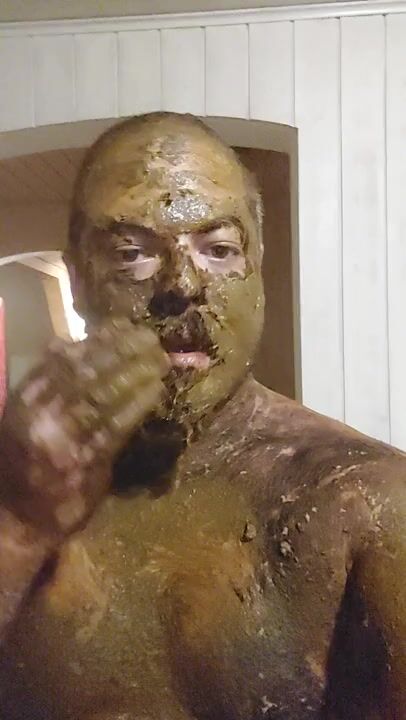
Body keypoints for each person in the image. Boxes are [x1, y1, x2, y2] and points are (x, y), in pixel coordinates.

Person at [0, 113, 404, 720]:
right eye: (132, 254)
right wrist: (22, 526)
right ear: (78, 279)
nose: (182, 284)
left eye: (219, 250)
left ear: (258, 271)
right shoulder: (19, 486)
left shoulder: (366, 505)